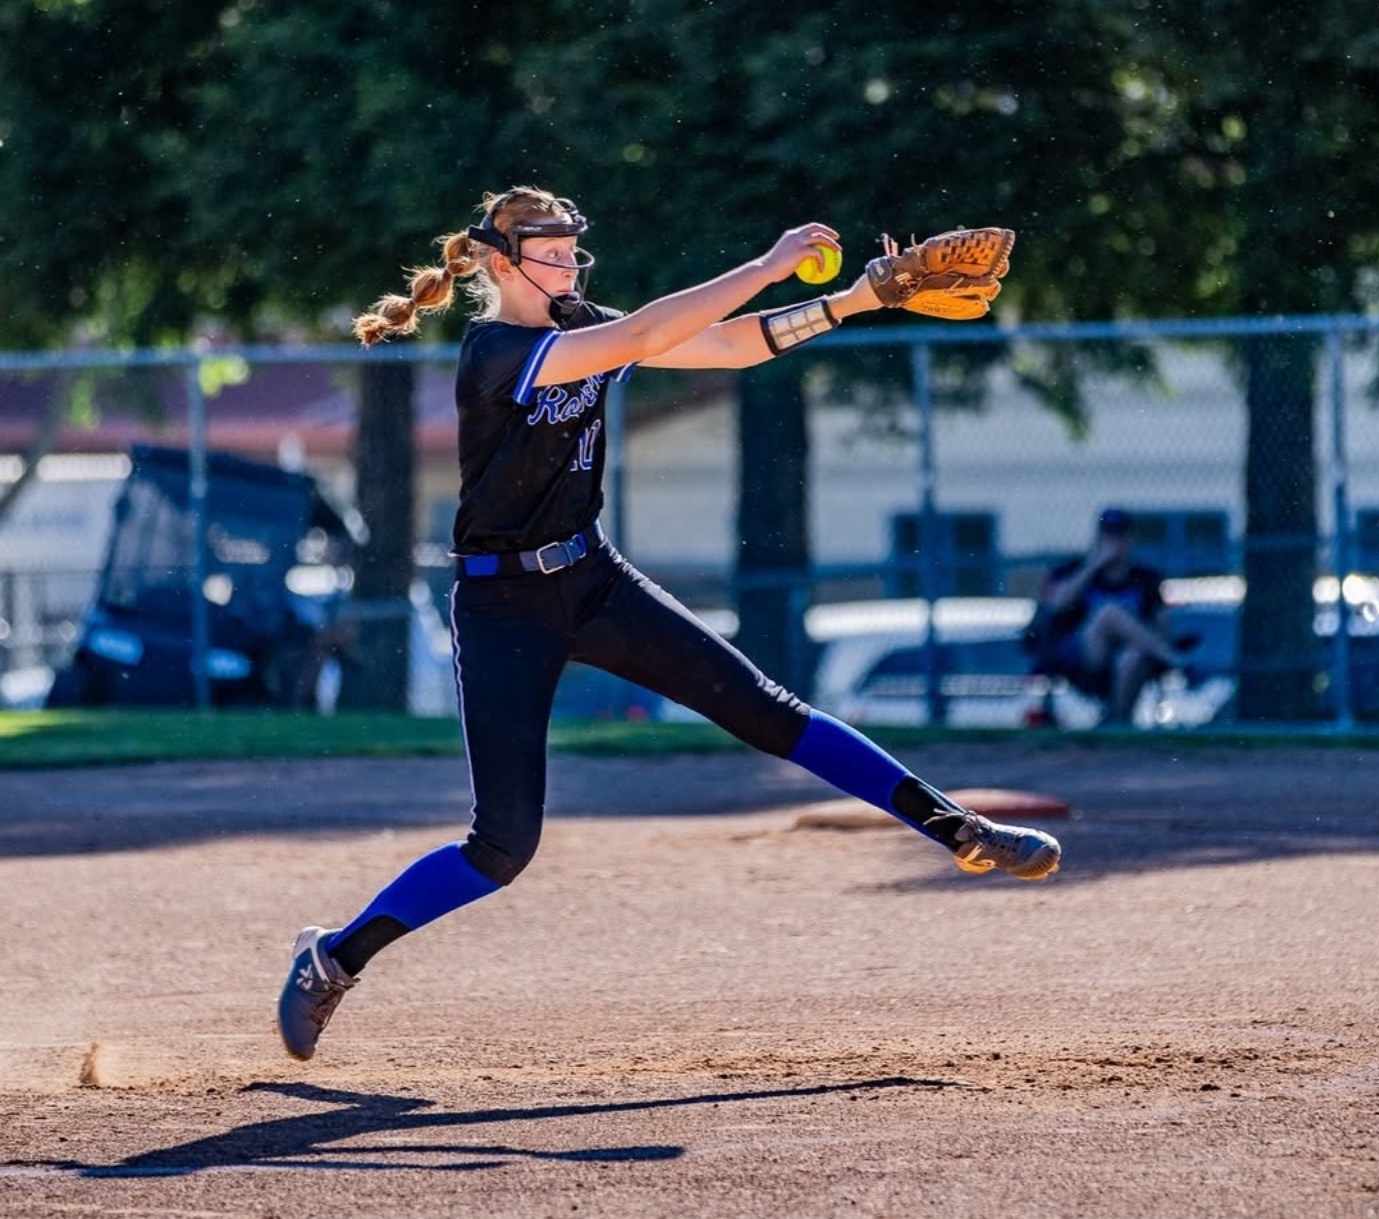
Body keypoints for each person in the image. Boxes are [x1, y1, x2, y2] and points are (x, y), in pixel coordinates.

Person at [276, 186, 1061, 1061]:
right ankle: (334, 958)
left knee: (768, 709)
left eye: (576, 249)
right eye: (552, 251)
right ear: (500, 263)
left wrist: (854, 300)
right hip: (503, 607)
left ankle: (957, 828)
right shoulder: (497, 351)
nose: (571, 264)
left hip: (592, 576)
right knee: (501, 845)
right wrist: (768, 265)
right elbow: (647, 334)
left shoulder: (582, 327)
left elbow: (727, 348)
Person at [1025, 508, 1197, 725]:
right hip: (1084, 654)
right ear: (1098, 538)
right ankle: (1178, 663)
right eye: (1108, 536)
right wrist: (1094, 565)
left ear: (1131, 539)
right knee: (1109, 612)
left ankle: (1116, 720)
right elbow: (1057, 604)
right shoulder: (1074, 569)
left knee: (1133, 655)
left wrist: (1151, 639)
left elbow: (1162, 624)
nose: (1114, 543)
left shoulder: (1146, 578)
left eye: (1120, 536)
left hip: (1130, 659)